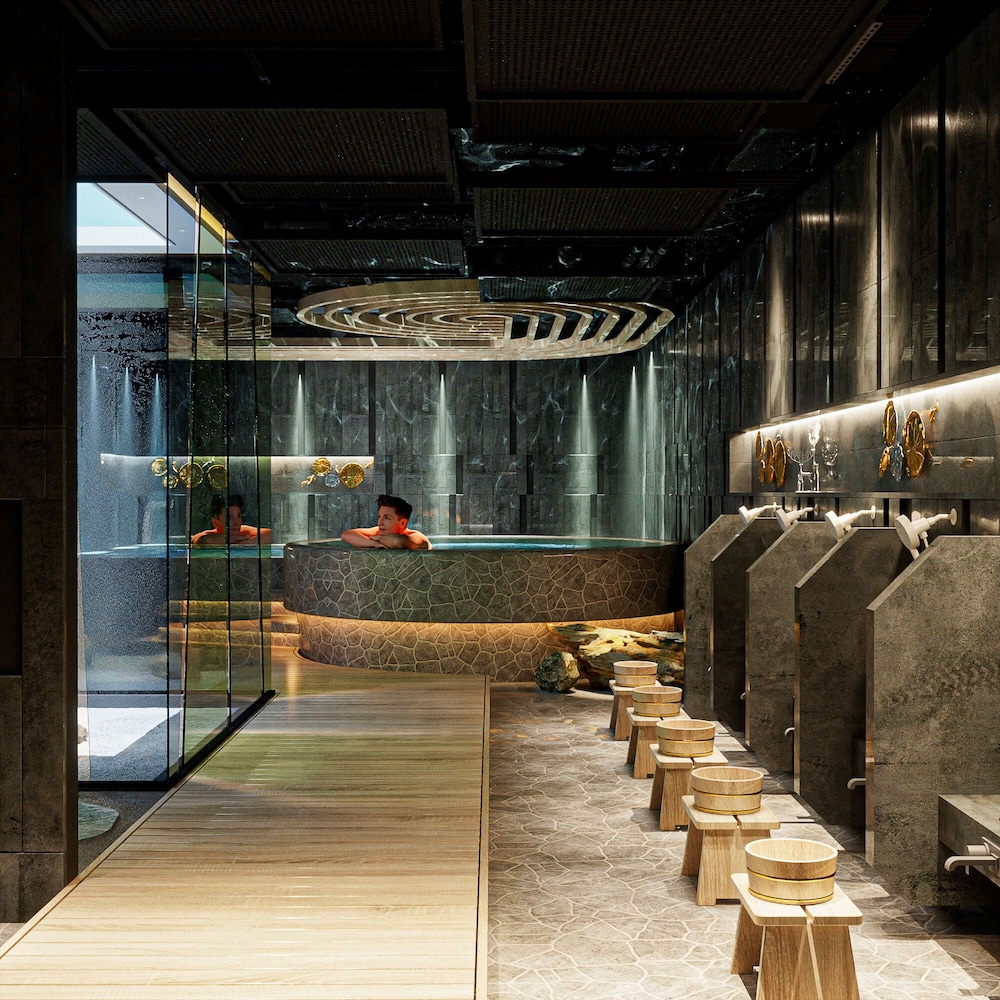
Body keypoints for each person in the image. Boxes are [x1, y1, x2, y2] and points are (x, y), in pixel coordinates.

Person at [341, 494, 432, 550]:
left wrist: (376, 538)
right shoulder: (380, 531)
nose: (380, 522)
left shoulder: (417, 537)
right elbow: (346, 535)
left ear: (403, 523)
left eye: (387, 518)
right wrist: (374, 543)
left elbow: (396, 542)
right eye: (379, 516)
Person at [192, 494, 272, 546]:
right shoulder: (208, 535)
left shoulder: (243, 532)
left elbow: (271, 535)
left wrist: (242, 545)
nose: (236, 523)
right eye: (229, 517)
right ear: (216, 523)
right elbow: (201, 540)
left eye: (239, 516)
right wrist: (232, 540)